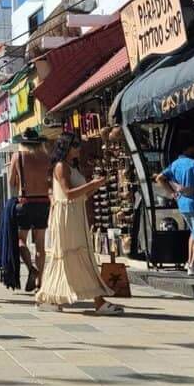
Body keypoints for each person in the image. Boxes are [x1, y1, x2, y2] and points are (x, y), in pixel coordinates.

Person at [36, 134, 123, 316]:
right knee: (74, 255)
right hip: (66, 217)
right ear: (66, 147)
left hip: (74, 214)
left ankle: (52, 298)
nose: (79, 148)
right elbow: (68, 193)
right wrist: (92, 183)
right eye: (75, 145)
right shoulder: (61, 167)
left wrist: (95, 186)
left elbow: (78, 196)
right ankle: (96, 301)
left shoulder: (71, 167)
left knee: (77, 256)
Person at [155, 137, 194, 276]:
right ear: (189, 148)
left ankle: (190, 262)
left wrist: (172, 193)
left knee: (193, 232)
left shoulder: (175, 165)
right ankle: (193, 265)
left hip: (182, 204)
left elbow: (159, 178)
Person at [8, 127, 53, 293]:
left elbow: (12, 182)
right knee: (40, 245)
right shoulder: (46, 157)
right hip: (43, 201)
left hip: (25, 201)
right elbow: (50, 181)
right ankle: (40, 282)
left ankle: (31, 268)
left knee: (19, 240)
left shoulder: (18, 156)